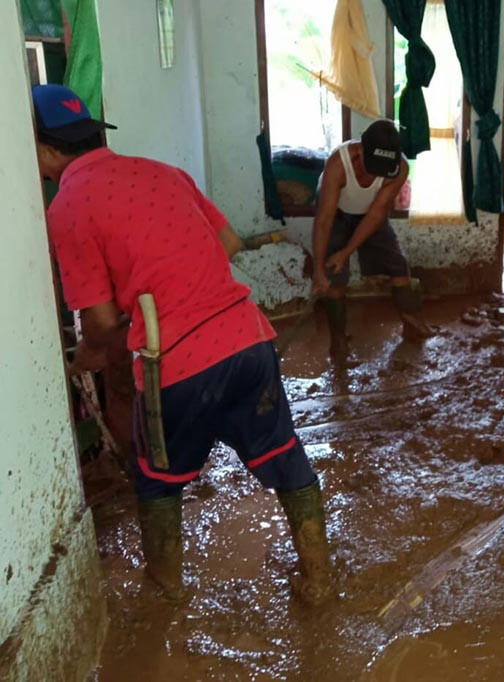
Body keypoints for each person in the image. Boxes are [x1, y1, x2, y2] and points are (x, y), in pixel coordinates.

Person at [34, 84, 332, 605]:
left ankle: (165, 601)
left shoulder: (68, 206)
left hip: (176, 366)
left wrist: (81, 358)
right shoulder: (160, 171)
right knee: (288, 462)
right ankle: (320, 582)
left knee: (157, 482)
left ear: (47, 151)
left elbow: (102, 326)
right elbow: (230, 244)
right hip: (248, 338)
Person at [312, 120, 433, 363]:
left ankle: (412, 325)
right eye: (372, 166)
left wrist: (347, 251)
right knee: (334, 279)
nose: (375, 174)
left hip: (368, 214)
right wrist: (318, 271)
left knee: (398, 267)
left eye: (382, 169)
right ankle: (338, 344)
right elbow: (324, 220)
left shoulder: (399, 168)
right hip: (334, 213)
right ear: (361, 151)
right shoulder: (339, 163)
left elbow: (377, 214)